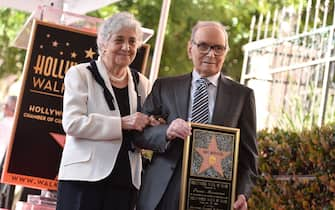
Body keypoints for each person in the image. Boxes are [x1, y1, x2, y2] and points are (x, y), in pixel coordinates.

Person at [135, 21, 258, 210]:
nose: (211, 53)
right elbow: (139, 134)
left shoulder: (242, 96)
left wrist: (241, 193)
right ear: (190, 48)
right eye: (203, 46)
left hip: (212, 194)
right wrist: (167, 131)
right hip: (164, 190)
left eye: (218, 48)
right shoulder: (164, 87)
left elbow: (248, 157)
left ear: (226, 51)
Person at [56, 12, 155, 210]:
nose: (127, 47)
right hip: (83, 180)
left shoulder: (142, 83)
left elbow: (146, 125)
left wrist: (153, 123)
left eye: (132, 42)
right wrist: (122, 122)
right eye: (119, 40)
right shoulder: (80, 74)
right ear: (103, 43)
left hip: (126, 182)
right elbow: (73, 123)